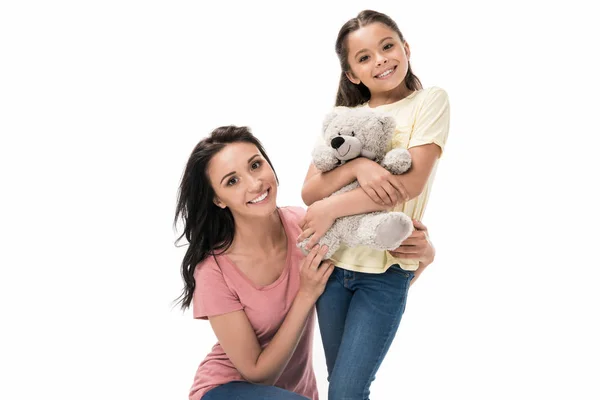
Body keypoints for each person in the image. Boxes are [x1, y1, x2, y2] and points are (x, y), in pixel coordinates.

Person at [174, 126, 437, 399]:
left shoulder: (305, 227)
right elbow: (259, 374)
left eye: (255, 165)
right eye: (232, 181)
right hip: (223, 391)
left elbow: (364, 291)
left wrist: (423, 260)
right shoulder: (213, 271)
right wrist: (306, 293)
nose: (254, 184)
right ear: (218, 199)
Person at [298, 10, 450, 400]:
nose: (380, 59)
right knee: (343, 389)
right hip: (332, 269)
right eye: (364, 57)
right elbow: (310, 191)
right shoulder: (344, 118)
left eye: (387, 47)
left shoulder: (428, 102)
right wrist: (361, 165)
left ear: (405, 48)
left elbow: (409, 182)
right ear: (352, 74)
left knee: (347, 392)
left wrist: (332, 209)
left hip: (385, 270)